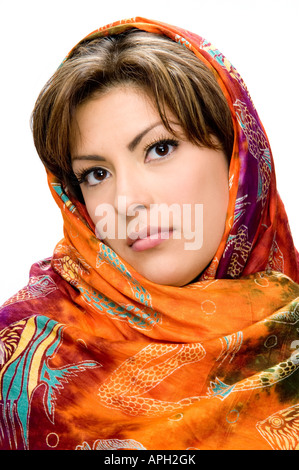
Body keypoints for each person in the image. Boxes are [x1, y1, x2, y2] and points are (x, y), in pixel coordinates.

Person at [0, 17, 298, 451]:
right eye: (96, 173)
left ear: (237, 158)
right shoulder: (22, 353)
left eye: (159, 149)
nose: (126, 201)